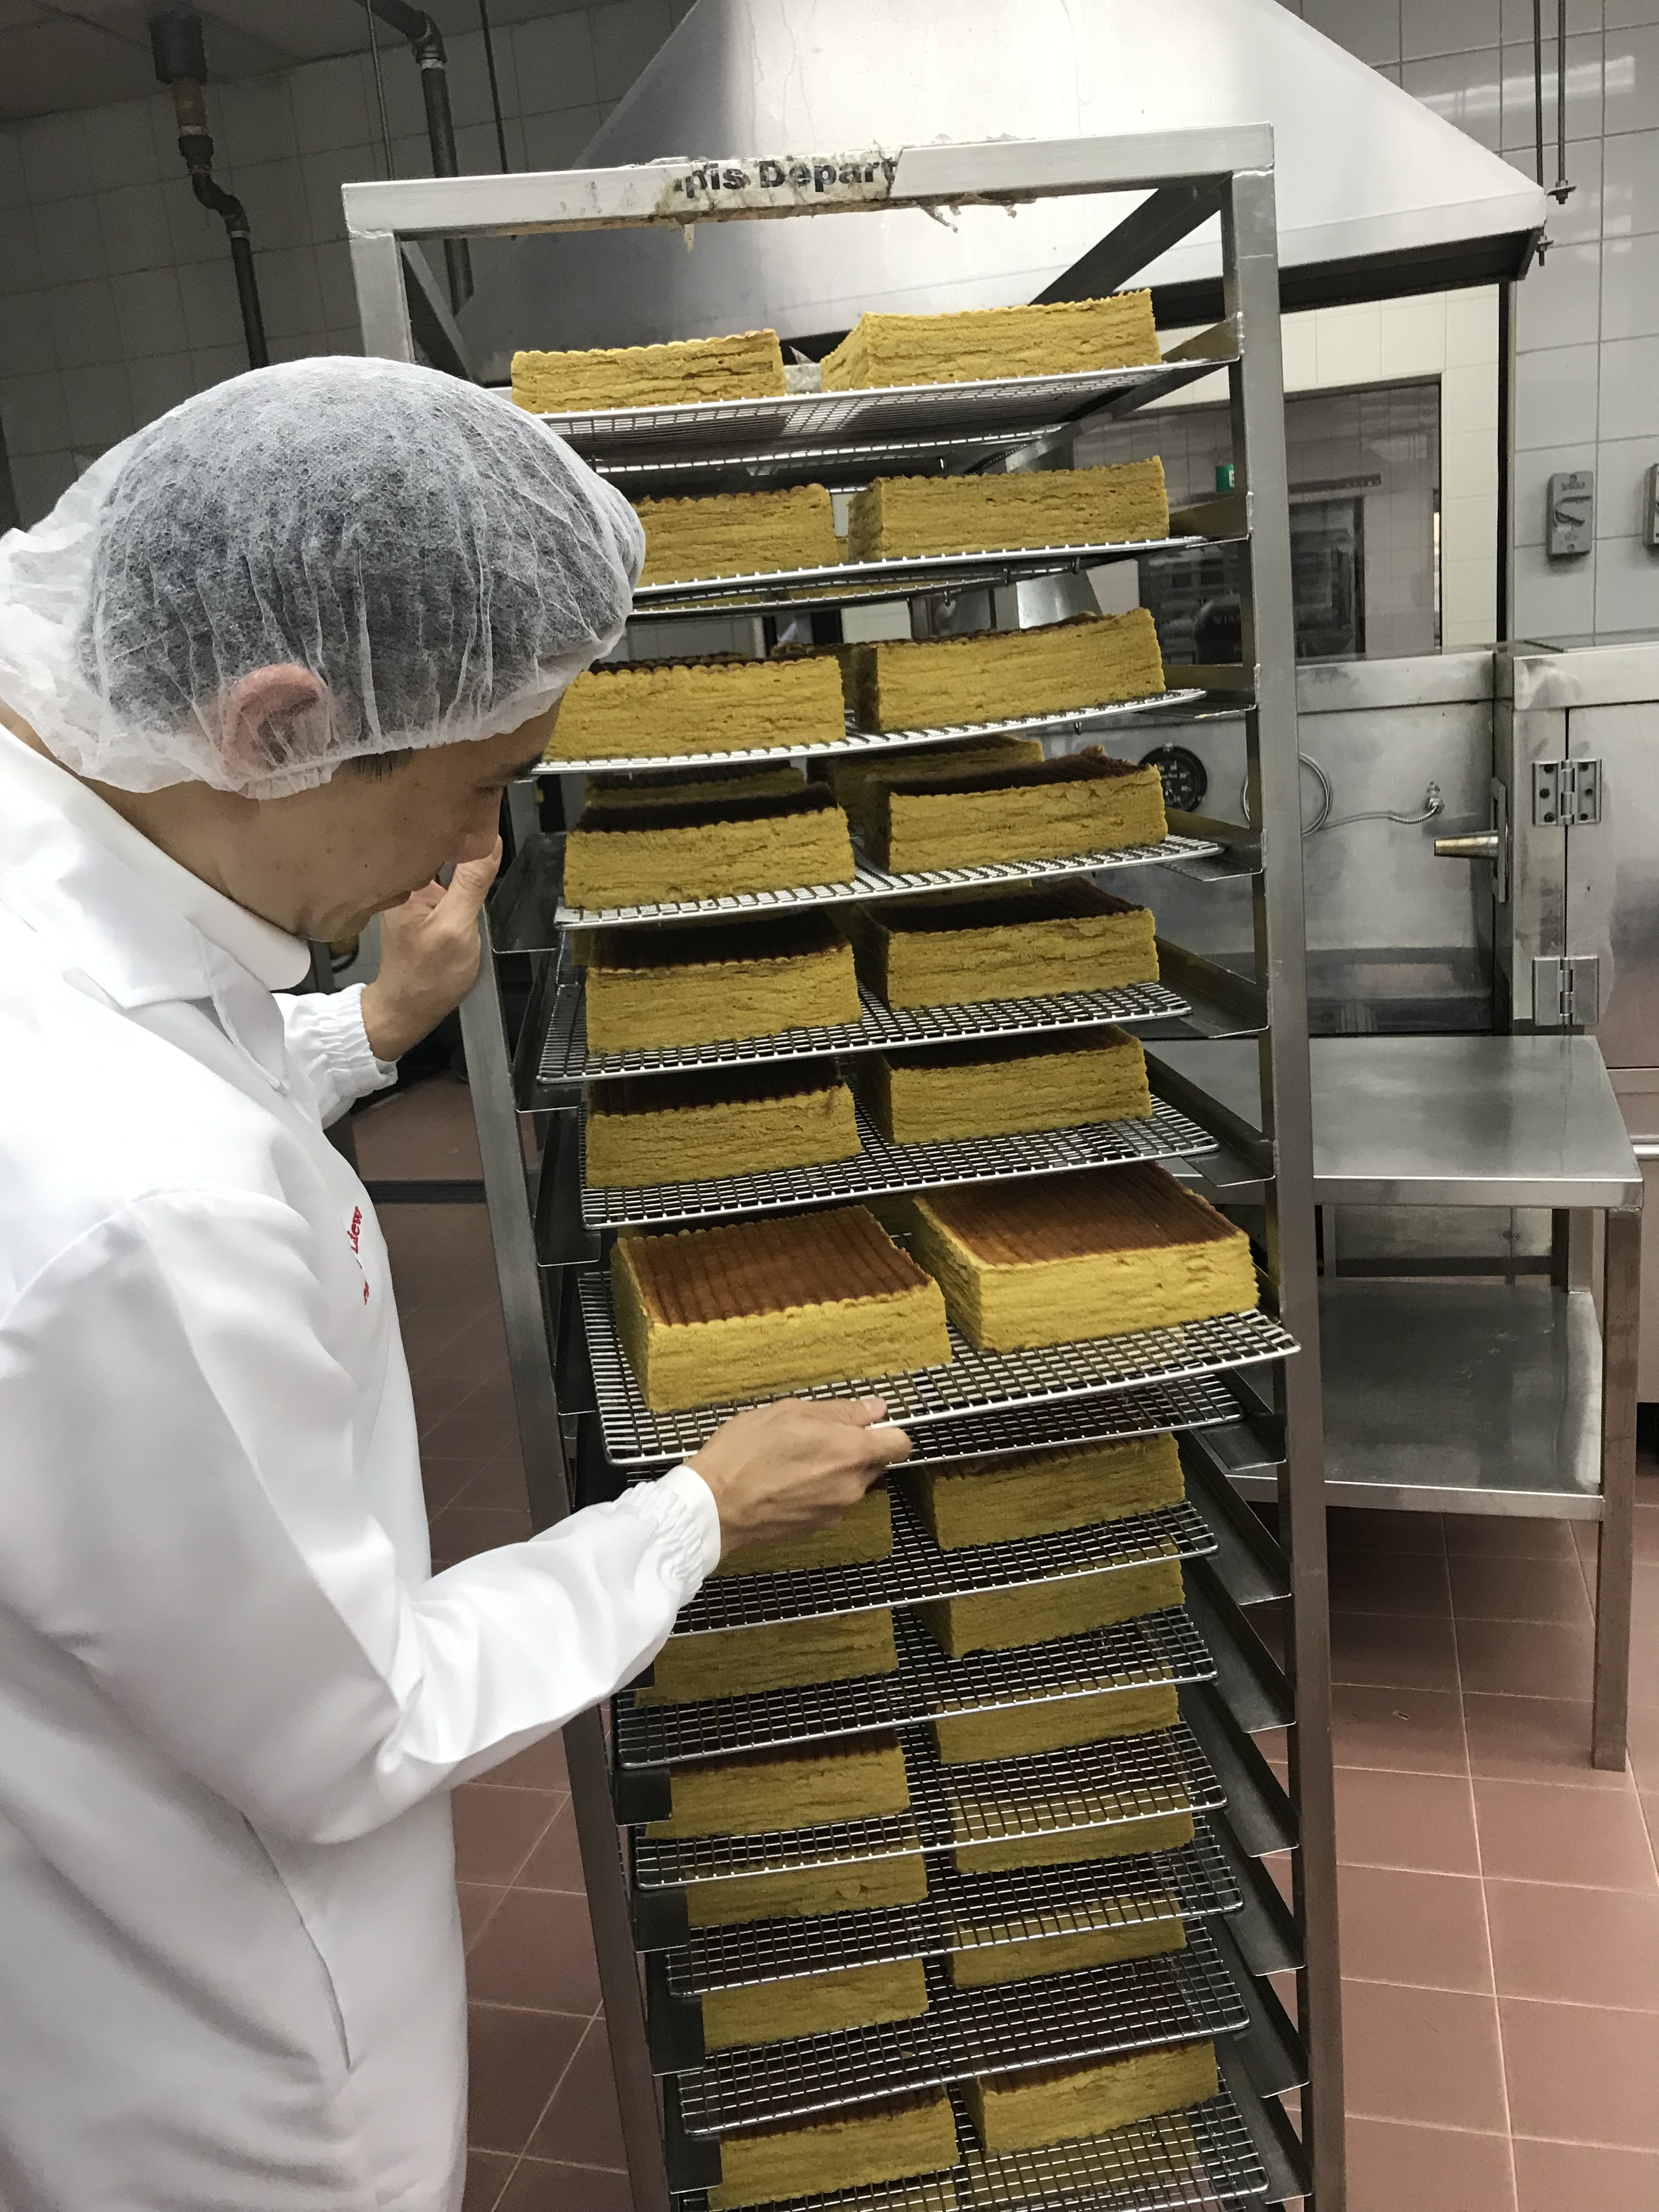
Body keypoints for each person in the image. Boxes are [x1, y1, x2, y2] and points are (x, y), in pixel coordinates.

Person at [0, 357, 912, 2212]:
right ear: (278, 722)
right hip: (223, 2077)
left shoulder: (72, 869)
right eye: (480, 782)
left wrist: (367, 1026)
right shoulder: (135, 1202)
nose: (471, 850)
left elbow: (174, 1062)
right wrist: (695, 1516)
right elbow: (357, 1726)